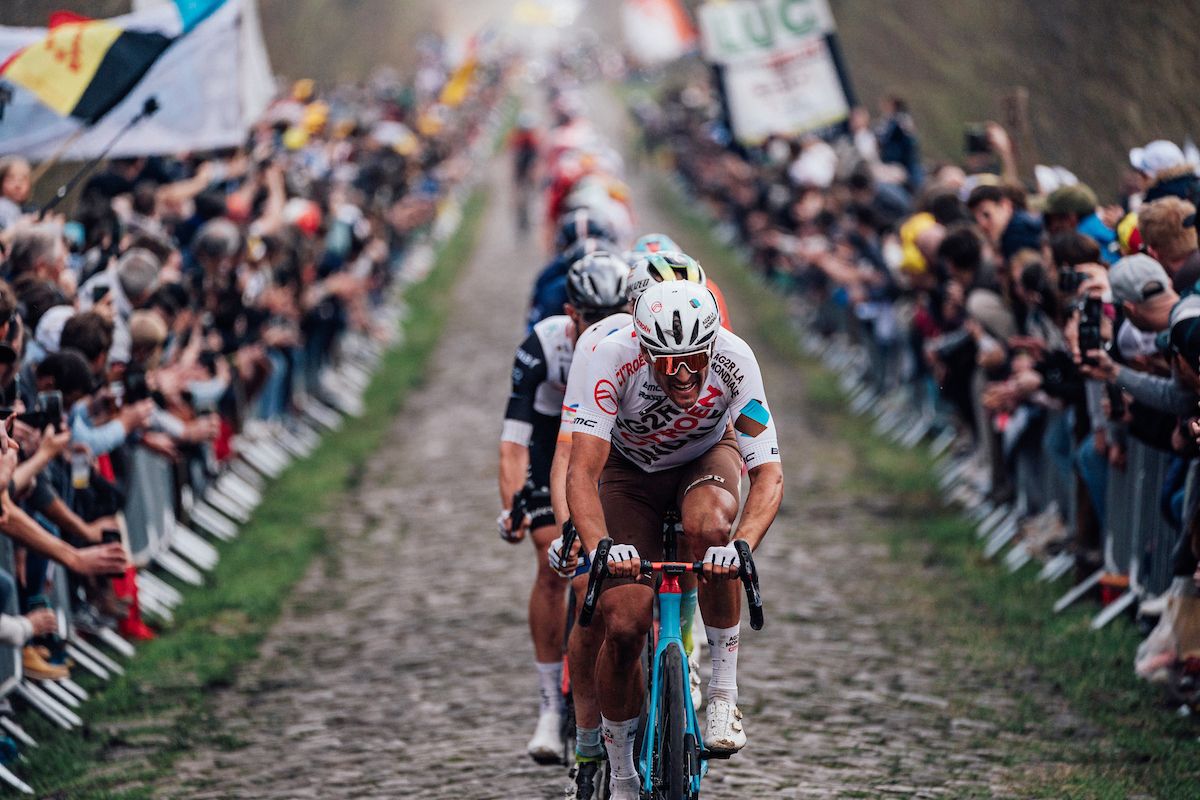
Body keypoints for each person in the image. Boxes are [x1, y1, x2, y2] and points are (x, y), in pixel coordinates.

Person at [565, 282, 783, 799]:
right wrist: (601, 547)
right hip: (629, 473)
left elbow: (769, 475)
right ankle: (621, 774)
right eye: (667, 364)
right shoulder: (609, 355)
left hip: (705, 459)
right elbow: (581, 473)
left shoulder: (735, 359)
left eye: (694, 361)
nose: (683, 376)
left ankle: (724, 694)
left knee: (711, 533)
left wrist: (741, 547)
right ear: (644, 349)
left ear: (711, 346)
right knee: (623, 624)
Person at [498, 251, 630, 763]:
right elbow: (515, 441)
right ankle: (551, 708)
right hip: (552, 440)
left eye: (612, 315)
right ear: (571, 313)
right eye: (591, 319)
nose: (600, 328)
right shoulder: (544, 345)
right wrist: (512, 506)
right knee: (557, 561)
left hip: (607, 442)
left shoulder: (632, 344)